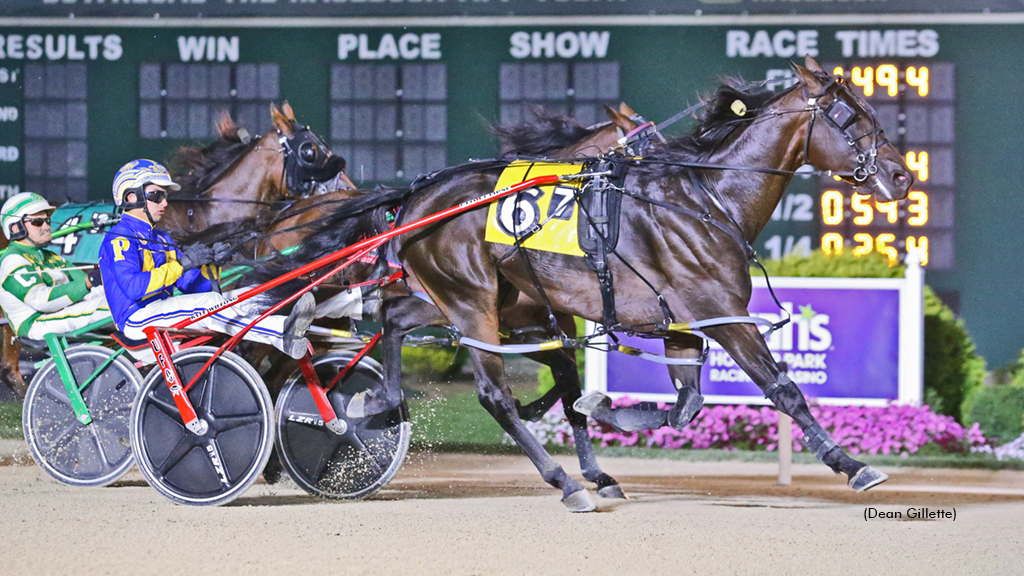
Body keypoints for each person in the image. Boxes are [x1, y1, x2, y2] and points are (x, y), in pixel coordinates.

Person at [98, 159, 329, 359]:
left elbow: (194, 286)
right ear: (131, 196)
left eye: (165, 196)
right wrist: (183, 264)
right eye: (156, 196)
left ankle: (289, 322)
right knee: (208, 306)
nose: (165, 203)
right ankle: (280, 334)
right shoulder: (119, 238)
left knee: (244, 296)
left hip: (160, 312)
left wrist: (213, 264)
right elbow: (133, 288)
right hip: (136, 319)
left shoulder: (162, 238)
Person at [0, 192, 111, 340]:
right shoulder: (13, 260)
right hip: (37, 324)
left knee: (125, 299)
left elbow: (93, 289)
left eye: (47, 221)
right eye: (37, 222)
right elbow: (41, 301)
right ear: (15, 228)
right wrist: (89, 281)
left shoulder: (51, 257)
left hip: (59, 314)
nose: (46, 226)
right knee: (116, 306)